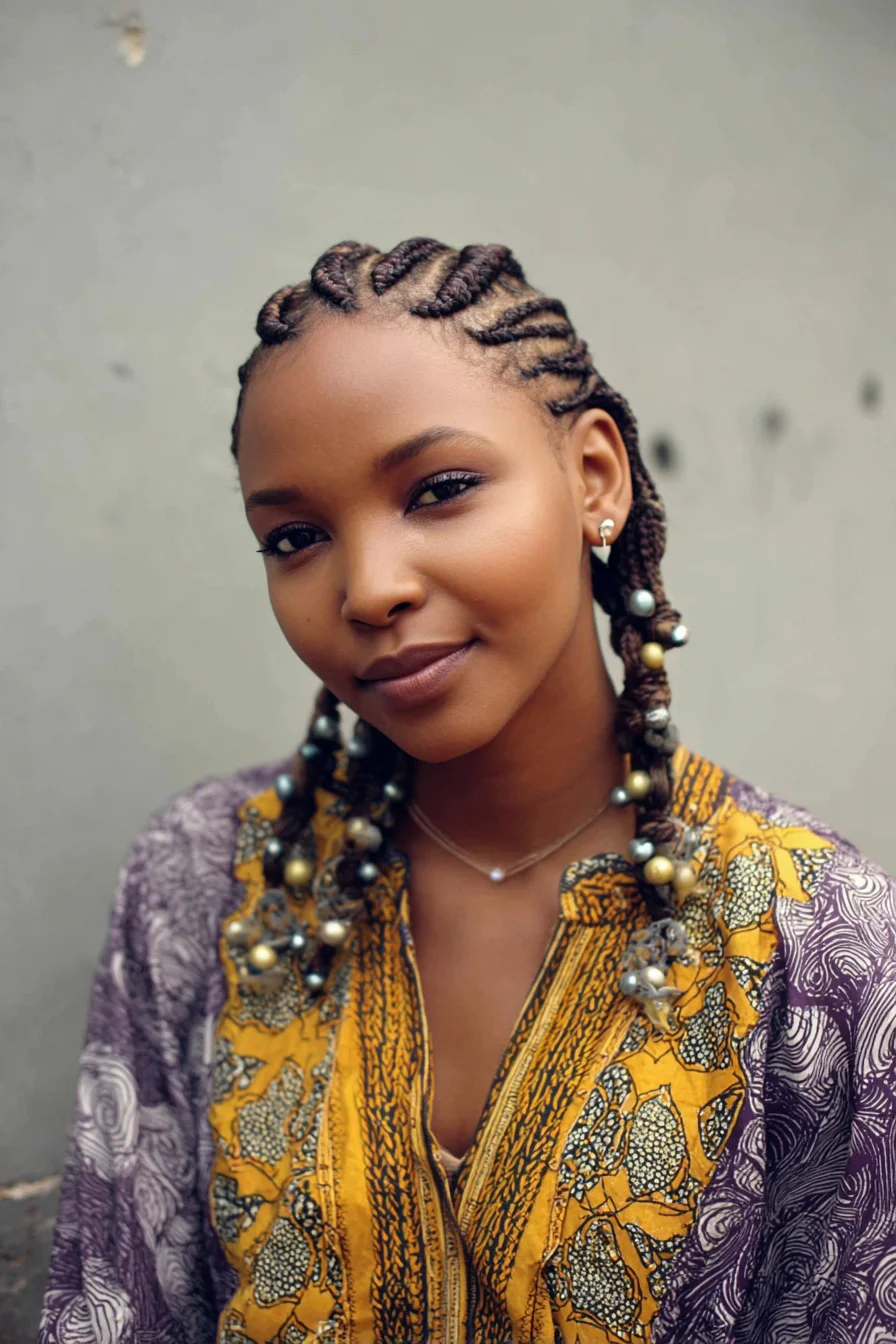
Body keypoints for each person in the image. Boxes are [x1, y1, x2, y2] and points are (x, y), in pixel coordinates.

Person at [40, 238, 896, 1344]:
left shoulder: (813, 938)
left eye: (439, 490)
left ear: (592, 477)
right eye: (294, 536)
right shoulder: (207, 886)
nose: (369, 586)